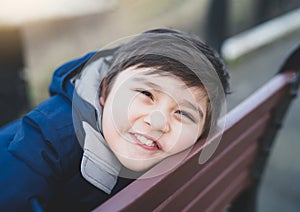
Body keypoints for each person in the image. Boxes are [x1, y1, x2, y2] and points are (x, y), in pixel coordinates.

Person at [0, 28, 230, 211]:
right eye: (146, 94)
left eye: (183, 113)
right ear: (104, 91)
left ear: (201, 134)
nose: (158, 122)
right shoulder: (50, 135)